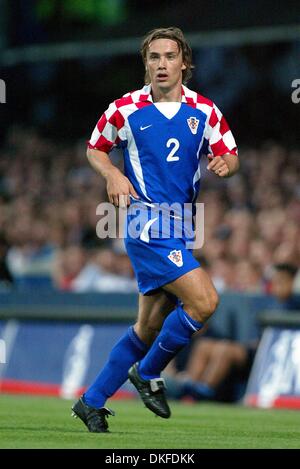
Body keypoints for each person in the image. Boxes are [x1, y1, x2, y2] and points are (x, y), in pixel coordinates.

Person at [71, 27, 239, 432]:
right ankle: (146, 375)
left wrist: (224, 165)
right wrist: (111, 173)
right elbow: (95, 148)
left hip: (181, 226)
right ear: (146, 64)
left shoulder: (206, 111)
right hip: (146, 222)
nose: (162, 64)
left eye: (169, 56)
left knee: (146, 328)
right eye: (154, 57)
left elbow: (231, 154)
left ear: (184, 63)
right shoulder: (124, 108)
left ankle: (91, 402)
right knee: (204, 302)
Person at [163, 263, 300, 403]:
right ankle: (189, 387)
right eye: (275, 282)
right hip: (255, 348)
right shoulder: (268, 302)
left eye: (282, 281)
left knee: (224, 349)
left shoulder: (295, 303)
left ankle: (201, 392)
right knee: (205, 345)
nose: (277, 286)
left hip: (268, 354)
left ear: (292, 282)